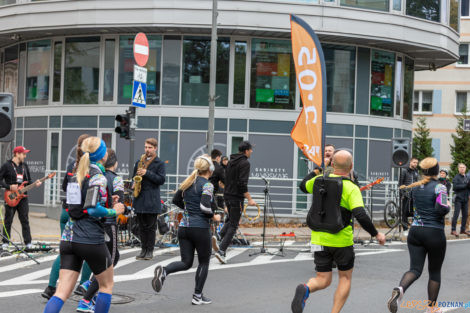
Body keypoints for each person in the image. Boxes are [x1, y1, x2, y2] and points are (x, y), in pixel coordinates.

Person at [291, 150, 386, 313]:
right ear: (351, 166)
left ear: (332, 164)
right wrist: (376, 234)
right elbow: (360, 215)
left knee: (322, 279)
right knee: (345, 278)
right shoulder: (351, 187)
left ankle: (306, 289)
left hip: (319, 238)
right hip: (342, 240)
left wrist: (319, 169)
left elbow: (302, 185)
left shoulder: (317, 181)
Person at [43, 137, 125, 313]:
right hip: (89, 238)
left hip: (68, 237)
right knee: (106, 285)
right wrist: (114, 211)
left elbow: (77, 206)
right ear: (103, 155)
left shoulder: (75, 174)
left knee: (61, 292)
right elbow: (93, 209)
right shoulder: (98, 177)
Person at [151, 155, 221, 305]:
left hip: (184, 227)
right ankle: (197, 296)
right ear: (210, 169)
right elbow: (204, 206)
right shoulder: (207, 185)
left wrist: (188, 210)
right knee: (204, 262)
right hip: (200, 228)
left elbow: (176, 200)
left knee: (186, 262)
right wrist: (214, 216)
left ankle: (165, 271)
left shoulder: (188, 182)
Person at [387, 157, 450, 313]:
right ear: (436, 171)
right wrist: (448, 205)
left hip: (415, 232)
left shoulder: (415, 188)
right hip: (434, 232)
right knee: (434, 272)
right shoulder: (440, 188)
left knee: (415, 269)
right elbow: (441, 209)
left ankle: (400, 288)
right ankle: (431, 308)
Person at [42, 134, 93, 300]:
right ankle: (82, 285)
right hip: (82, 216)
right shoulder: (90, 167)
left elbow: (65, 186)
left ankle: (50, 287)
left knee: (65, 252)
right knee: (89, 252)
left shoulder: (73, 164)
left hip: (66, 212)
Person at [77, 148, 125, 312]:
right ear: (115, 163)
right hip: (108, 221)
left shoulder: (86, 173)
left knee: (111, 257)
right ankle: (87, 296)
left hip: (88, 225)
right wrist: (117, 207)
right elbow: (120, 200)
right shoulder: (114, 178)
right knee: (109, 262)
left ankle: (89, 286)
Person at [212, 141, 256, 264]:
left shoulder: (231, 161)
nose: (252, 152)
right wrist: (249, 198)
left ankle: (219, 235)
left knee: (231, 220)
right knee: (234, 224)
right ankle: (221, 251)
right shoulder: (245, 163)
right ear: (246, 150)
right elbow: (242, 183)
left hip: (227, 195)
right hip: (236, 197)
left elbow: (227, 179)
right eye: (251, 150)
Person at [0, 146, 42, 250]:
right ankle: (5, 242)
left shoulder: (24, 166)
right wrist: (9, 186)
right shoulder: (6, 165)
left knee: (25, 220)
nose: (25, 156)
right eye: (23, 154)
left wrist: (35, 183)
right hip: (11, 196)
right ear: (17, 154)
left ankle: (28, 242)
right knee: (8, 220)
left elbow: (29, 181)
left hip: (23, 198)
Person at [132, 138, 166, 260]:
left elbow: (161, 180)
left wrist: (147, 173)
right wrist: (133, 183)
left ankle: (150, 250)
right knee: (141, 226)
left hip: (151, 199)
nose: (147, 150)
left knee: (150, 227)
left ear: (155, 148)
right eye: (146, 147)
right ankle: (143, 249)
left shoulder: (159, 163)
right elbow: (133, 177)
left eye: (150, 147)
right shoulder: (139, 161)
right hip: (140, 198)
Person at [399, 157, 419, 231]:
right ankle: (405, 228)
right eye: (414, 162)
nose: (415, 164)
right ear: (410, 162)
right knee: (404, 212)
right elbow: (400, 184)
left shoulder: (416, 172)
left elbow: (417, 183)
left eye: (416, 163)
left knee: (415, 212)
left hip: (414, 195)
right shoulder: (404, 171)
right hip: (406, 195)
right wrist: (402, 194)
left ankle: (414, 228)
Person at [451, 163, 470, 237]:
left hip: (466, 199)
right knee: (456, 215)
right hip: (458, 199)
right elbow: (455, 187)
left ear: (465, 169)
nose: (462, 169)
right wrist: (466, 185)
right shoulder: (456, 177)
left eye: (463, 167)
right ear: (458, 169)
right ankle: (453, 230)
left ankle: (463, 230)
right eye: (461, 167)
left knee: (465, 215)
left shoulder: (467, 177)